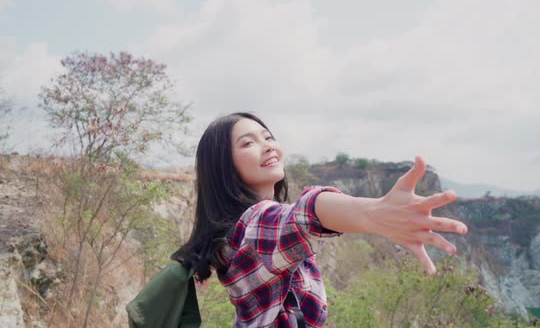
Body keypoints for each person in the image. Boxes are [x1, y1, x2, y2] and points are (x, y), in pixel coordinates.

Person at [172, 112, 468, 327]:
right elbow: (306, 214)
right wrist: (375, 213)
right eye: (248, 143)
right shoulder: (253, 227)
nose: (268, 146)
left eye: (269, 137)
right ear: (223, 166)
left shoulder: (241, 229)